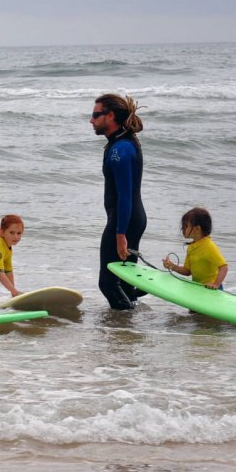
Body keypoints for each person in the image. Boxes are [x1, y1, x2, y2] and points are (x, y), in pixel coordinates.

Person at [90, 94, 147, 310]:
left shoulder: (120, 150)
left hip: (124, 221)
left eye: (96, 115)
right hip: (131, 218)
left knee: (107, 282)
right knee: (123, 280)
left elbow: (124, 195)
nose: (91, 120)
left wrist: (120, 234)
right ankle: (131, 318)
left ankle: (124, 325)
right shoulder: (121, 143)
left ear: (110, 115)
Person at [163, 207, 228, 289]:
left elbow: (224, 267)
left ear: (197, 229)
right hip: (199, 287)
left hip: (212, 289)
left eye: (186, 226)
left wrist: (216, 284)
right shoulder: (191, 247)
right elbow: (187, 271)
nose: (182, 228)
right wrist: (172, 266)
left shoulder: (209, 246)